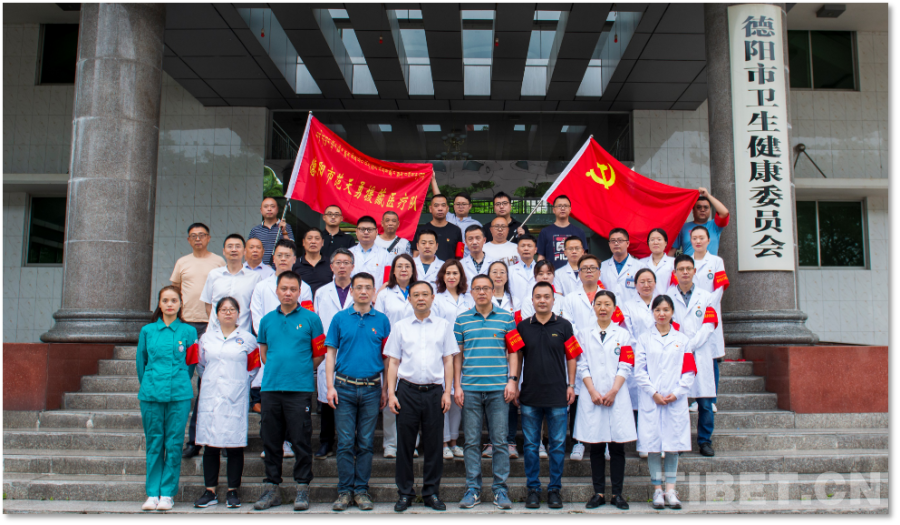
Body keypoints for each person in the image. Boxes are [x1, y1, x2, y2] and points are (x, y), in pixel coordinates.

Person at [253, 272, 325, 512]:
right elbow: (264, 353)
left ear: (299, 292)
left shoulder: (312, 319)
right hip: (271, 388)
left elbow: (319, 354)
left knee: (300, 439)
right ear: (277, 290)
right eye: (284, 288)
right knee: (271, 439)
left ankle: (302, 487)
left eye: (293, 289)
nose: (288, 293)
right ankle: (271, 487)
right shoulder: (266, 320)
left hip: (299, 389)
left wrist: (300, 369)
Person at [185, 234, 261, 458]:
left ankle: (230, 441)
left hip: (240, 342)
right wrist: (217, 329)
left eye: (238, 246)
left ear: (244, 251)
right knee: (205, 391)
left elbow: (253, 307)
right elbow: (210, 306)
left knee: (236, 394)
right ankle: (195, 441)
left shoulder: (254, 278)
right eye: (230, 246)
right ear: (224, 250)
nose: (234, 250)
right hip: (214, 341)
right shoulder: (214, 275)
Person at [385, 281, 459, 512]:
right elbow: (393, 362)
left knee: (434, 445)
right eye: (416, 295)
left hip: (434, 392)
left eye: (425, 294)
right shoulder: (400, 327)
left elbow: (448, 360)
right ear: (409, 299)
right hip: (406, 391)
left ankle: (431, 493)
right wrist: (391, 393)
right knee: (405, 445)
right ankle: (405, 493)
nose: (420, 298)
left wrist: (447, 392)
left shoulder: (443, 326)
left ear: (432, 298)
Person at [324, 273, 392, 512]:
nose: (363, 291)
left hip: (372, 388)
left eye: (368, 288)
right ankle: (344, 491)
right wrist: (330, 386)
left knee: (365, 442)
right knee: (344, 442)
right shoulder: (339, 318)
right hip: (344, 387)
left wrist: (385, 389)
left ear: (374, 292)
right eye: (359, 287)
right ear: (351, 291)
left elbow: (387, 358)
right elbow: (330, 353)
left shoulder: (382, 320)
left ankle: (361, 490)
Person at [454, 274, 518, 510]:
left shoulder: (507, 318)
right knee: (471, 442)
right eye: (477, 288)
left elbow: (514, 352)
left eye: (486, 288)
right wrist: (457, 386)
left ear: (493, 290)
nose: (481, 292)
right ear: (471, 292)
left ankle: (500, 490)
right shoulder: (461, 320)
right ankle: (473, 489)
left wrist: (512, 381)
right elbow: (457, 355)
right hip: (470, 389)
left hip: (498, 390)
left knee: (500, 442)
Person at [514, 282, 578, 509]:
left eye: (546, 296)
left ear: (553, 300)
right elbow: (517, 357)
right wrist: (514, 383)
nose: (542, 300)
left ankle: (554, 489)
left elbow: (572, 356)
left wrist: (571, 385)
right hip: (530, 395)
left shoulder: (565, 325)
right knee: (531, 445)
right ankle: (532, 488)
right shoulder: (522, 326)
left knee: (558, 445)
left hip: (557, 394)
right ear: (532, 300)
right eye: (538, 296)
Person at [193, 297, 260, 509]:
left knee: (234, 445)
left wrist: (240, 382)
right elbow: (201, 365)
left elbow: (254, 367)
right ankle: (210, 490)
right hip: (211, 395)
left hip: (235, 396)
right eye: (223, 309)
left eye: (232, 309)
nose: (228, 313)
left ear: (238, 313)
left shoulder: (248, 339)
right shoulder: (206, 338)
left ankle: (232, 490)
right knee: (210, 444)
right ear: (217, 313)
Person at [137, 286, 198, 511]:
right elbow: (141, 362)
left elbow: (191, 363)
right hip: (151, 392)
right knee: (154, 442)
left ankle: (167, 494)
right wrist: (149, 383)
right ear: (159, 304)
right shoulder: (147, 331)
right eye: (165, 300)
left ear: (180, 304)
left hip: (178, 393)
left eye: (174, 300)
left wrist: (179, 379)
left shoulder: (189, 331)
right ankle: (152, 493)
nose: (170, 304)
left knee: (173, 443)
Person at [574, 290, 636, 510]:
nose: (603, 308)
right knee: (596, 447)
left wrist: (613, 391)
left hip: (616, 396)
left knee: (617, 448)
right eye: (599, 303)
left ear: (614, 308)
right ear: (593, 307)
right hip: (592, 396)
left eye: (607, 304)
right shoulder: (583, 334)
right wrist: (592, 391)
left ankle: (617, 494)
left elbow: (626, 365)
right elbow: (581, 364)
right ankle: (598, 493)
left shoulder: (624, 335)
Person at [633, 294, 697, 510]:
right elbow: (639, 371)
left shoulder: (682, 340)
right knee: (652, 446)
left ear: (672, 312)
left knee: (672, 445)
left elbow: (689, 371)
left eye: (666, 310)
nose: (661, 314)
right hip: (652, 400)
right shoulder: (644, 339)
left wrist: (677, 393)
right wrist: (653, 393)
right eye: (658, 310)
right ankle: (657, 490)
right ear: (652, 312)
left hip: (674, 401)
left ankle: (670, 489)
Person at [249, 240, 311, 458]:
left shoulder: (304, 288)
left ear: (295, 259)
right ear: (273, 258)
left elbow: (307, 317)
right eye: (280, 255)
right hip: (269, 347)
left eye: (288, 255)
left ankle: (289, 441)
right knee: (271, 401)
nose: (283, 259)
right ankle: (271, 443)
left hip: (295, 350)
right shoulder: (261, 286)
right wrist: (271, 337)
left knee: (291, 401)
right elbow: (257, 317)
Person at [667, 254, 720, 458]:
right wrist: (682, 344)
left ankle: (705, 441)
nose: (685, 272)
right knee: (679, 400)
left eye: (688, 268)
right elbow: (666, 323)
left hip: (701, 352)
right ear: (675, 273)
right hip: (677, 353)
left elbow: (709, 325)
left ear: (694, 271)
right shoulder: (667, 296)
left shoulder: (706, 297)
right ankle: (679, 441)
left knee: (705, 402)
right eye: (681, 269)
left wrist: (690, 344)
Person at [311, 248, 356, 460]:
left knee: (351, 400)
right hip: (328, 350)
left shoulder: (359, 289)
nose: (342, 266)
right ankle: (326, 442)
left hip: (352, 349)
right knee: (326, 399)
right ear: (331, 267)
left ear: (352, 266)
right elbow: (317, 324)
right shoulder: (322, 292)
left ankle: (350, 443)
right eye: (338, 262)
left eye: (346, 262)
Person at [374, 254, 418, 458]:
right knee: (390, 393)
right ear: (393, 270)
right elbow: (379, 321)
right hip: (390, 351)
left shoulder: (419, 290)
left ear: (413, 270)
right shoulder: (384, 294)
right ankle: (391, 444)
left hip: (416, 349)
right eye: (399, 266)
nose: (403, 270)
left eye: (407, 266)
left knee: (413, 399)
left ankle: (412, 443)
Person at [561, 254, 605, 461]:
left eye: (592, 267)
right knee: (578, 399)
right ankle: (578, 442)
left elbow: (614, 321)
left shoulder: (608, 296)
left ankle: (605, 441)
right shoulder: (570, 298)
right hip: (578, 353)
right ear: (578, 273)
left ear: (599, 272)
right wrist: (587, 338)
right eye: (584, 268)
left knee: (602, 395)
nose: (588, 271)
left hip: (603, 351)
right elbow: (568, 324)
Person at [432, 260, 474, 460]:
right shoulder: (437, 300)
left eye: (455, 273)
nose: (451, 277)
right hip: (444, 354)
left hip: (466, 353)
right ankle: (443, 442)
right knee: (445, 396)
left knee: (459, 398)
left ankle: (454, 441)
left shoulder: (468, 299)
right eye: (447, 273)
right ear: (442, 276)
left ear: (461, 276)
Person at [686, 226, 728, 415]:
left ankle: (711, 399)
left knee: (711, 358)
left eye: (701, 237)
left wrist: (705, 303)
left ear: (708, 240)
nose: (698, 241)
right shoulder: (686, 261)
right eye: (695, 238)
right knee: (693, 356)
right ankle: (696, 399)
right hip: (691, 315)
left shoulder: (716, 261)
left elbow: (720, 287)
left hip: (710, 313)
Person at [619, 268, 660, 459]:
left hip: (660, 358)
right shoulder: (627, 306)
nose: (646, 285)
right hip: (637, 357)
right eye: (642, 282)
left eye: (649, 281)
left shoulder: (662, 303)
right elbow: (627, 331)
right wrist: (642, 352)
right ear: (635, 285)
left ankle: (654, 442)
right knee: (638, 403)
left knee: (655, 401)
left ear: (655, 283)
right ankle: (641, 442)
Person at [170, 223, 225, 338]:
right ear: (188, 240)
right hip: (186, 318)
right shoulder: (182, 262)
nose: (198, 239)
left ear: (208, 238)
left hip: (211, 319)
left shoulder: (219, 261)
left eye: (201, 235)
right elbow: (174, 290)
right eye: (194, 236)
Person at [670, 188, 730, 257]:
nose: (702, 210)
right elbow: (672, 251)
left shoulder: (715, 225)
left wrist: (708, 196)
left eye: (706, 207)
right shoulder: (683, 227)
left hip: (710, 264)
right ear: (693, 210)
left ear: (710, 210)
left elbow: (724, 213)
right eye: (699, 207)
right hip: (689, 263)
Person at [535, 196, 587, 269]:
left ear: (570, 209)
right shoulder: (545, 232)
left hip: (575, 274)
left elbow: (584, 256)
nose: (562, 208)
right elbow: (541, 257)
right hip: (552, 274)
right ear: (554, 210)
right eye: (559, 206)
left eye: (565, 206)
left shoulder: (579, 232)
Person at [600, 228, 646, 305]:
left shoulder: (640, 267)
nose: (616, 243)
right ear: (609, 244)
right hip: (610, 310)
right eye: (613, 241)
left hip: (633, 309)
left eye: (620, 240)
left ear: (627, 243)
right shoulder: (602, 266)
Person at [414, 194, 463, 262]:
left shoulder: (456, 230)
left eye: (443, 205)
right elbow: (416, 255)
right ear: (430, 209)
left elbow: (459, 257)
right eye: (436, 205)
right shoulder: (421, 230)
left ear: (447, 209)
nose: (440, 209)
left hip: (449, 268)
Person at [350, 215, 393, 291]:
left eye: (369, 229)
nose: (366, 232)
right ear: (356, 232)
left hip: (377, 296)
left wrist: (377, 296)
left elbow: (388, 281)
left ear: (376, 232)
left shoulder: (385, 255)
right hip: (352, 297)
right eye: (362, 229)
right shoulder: (349, 254)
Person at [249, 197, 294, 266]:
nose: (269, 209)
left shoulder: (286, 227)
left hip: (280, 268)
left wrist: (284, 231)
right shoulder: (255, 230)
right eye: (266, 207)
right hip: (260, 268)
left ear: (277, 209)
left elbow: (291, 249)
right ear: (261, 210)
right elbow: (249, 251)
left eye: (272, 206)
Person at [292, 227, 333, 297]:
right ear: (303, 242)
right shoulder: (295, 264)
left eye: (317, 238)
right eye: (309, 238)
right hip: (302, 302)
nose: (313, 241)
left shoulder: (331, 264)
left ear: (322, 242)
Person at [640, 228, 675, 296]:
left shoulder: (673, 263)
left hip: (668, 300)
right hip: (646, 300)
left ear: (665, 243)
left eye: (659, 239)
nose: (655, 242)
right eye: (652, 240)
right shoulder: (641, 263)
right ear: (648, 243)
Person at [508, 234, 539, 311]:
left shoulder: (541, 270)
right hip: (516, 311)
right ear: (517, 249)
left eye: (529, 246)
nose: (526, 248)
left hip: (537, 311)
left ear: (535, 250)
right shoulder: (509, 270)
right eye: (523, 246)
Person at [446, 192, 482, 258]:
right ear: (454, 206)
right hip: (449, 260)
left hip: (468, 260)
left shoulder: (476, 224)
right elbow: (439, 200)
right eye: (458, 204)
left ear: (470, 206)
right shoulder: (448, 218)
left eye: (464, 204)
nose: (460, 206)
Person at [460, 224, 495, 289]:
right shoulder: (460, 264)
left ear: (484, 240)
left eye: (478, 238)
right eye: (470, 239)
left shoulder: (494, 263)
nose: (474, 242)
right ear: (466, 242)